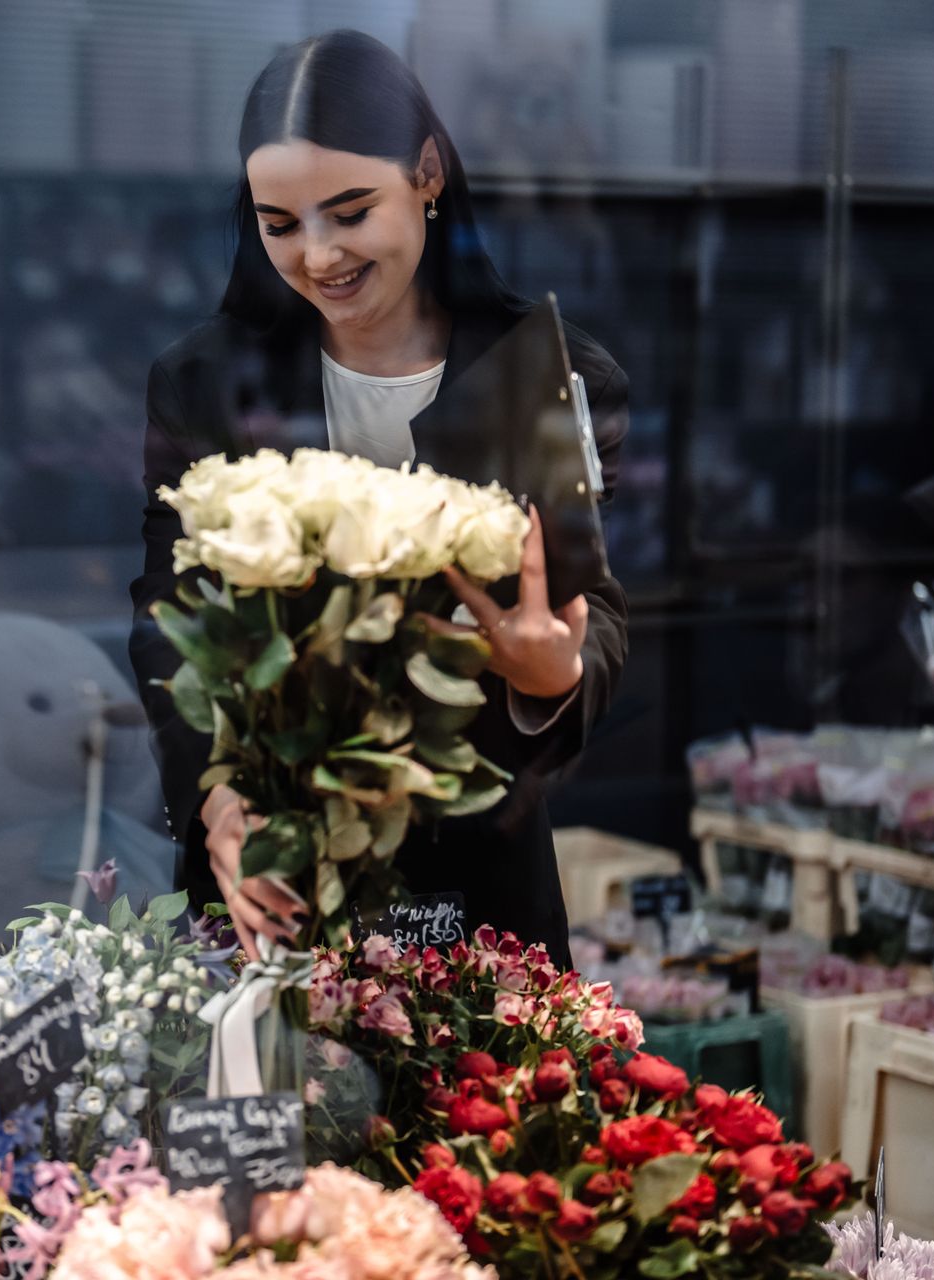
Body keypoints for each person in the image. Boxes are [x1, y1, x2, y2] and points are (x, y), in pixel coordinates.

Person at [128, 30, 629, 967]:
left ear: (428, 173)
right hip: (267, 879)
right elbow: (168, 617)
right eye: (280, 224)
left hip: (475, 876)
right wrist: (218, 799)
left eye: (350, 212)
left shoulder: (548, 375)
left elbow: (591, 607)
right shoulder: (201, 382)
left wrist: (548, 673)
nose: (318, 256)